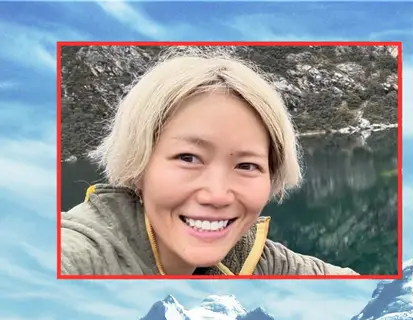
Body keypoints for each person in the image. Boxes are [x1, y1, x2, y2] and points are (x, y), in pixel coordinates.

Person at [60, 47, 358, 277]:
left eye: (247, 165)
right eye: (188, 158)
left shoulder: (250, 259)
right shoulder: (81, 254)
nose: (217, 195)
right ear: (139, 167)